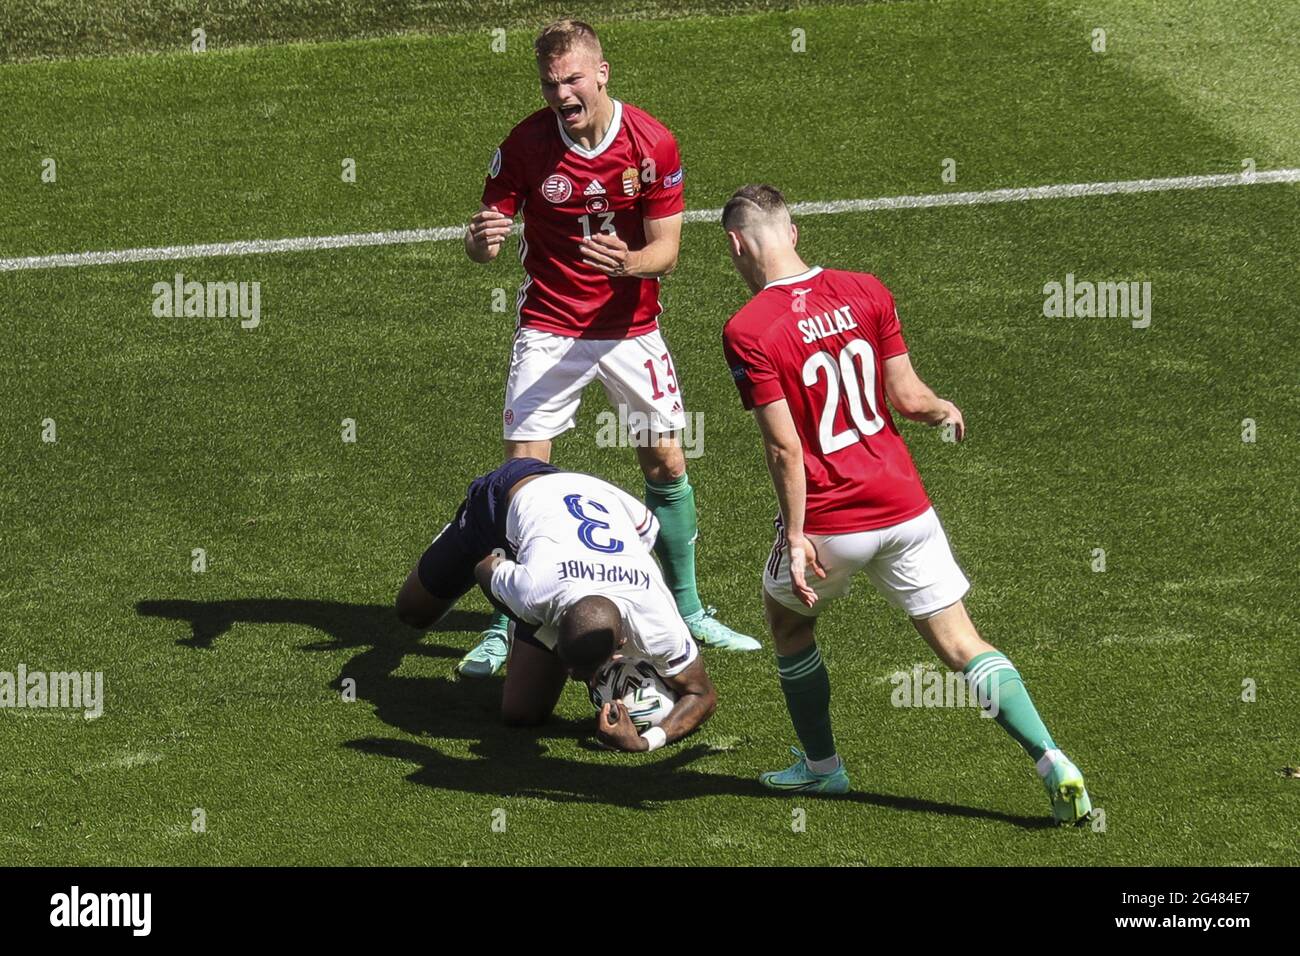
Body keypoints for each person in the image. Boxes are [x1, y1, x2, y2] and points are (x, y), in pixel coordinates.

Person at [718, 184, 1091, 824]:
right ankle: (1050, 757)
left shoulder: (749, 329)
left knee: (787, 623)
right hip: (905, 505)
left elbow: (784, 449)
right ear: (795, 231)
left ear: (735, 245)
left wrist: (799, 535)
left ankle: (821, 769)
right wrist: (942, 408)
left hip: (833, 521)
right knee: (960, 641)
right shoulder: (867, 289)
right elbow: (910, 398)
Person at [457, 17, 759, 678]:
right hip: (550, 326)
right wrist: (481, 243)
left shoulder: (652, 143)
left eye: (571, 79)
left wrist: (628, 265)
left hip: (630, 327)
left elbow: (667, 252)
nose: (562, 93)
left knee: (665, 463)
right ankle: (504, 627)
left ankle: (688, 609)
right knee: (519, 482)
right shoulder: (527, 145)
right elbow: (488, 238)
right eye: (549, 83)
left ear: (601, 73)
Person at [396, 458, 716, 752]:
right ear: (560, 624)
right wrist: (533, 620)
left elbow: (702, 695)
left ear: (622, 641)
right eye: (571, 664)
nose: (581, 677)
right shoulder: (535, 590)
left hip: (616, 510)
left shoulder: (657, 621)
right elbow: (484, 566)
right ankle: (457, 531)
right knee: (413, 612)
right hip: (505, 500)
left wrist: (646, 742)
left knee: (522, 713)